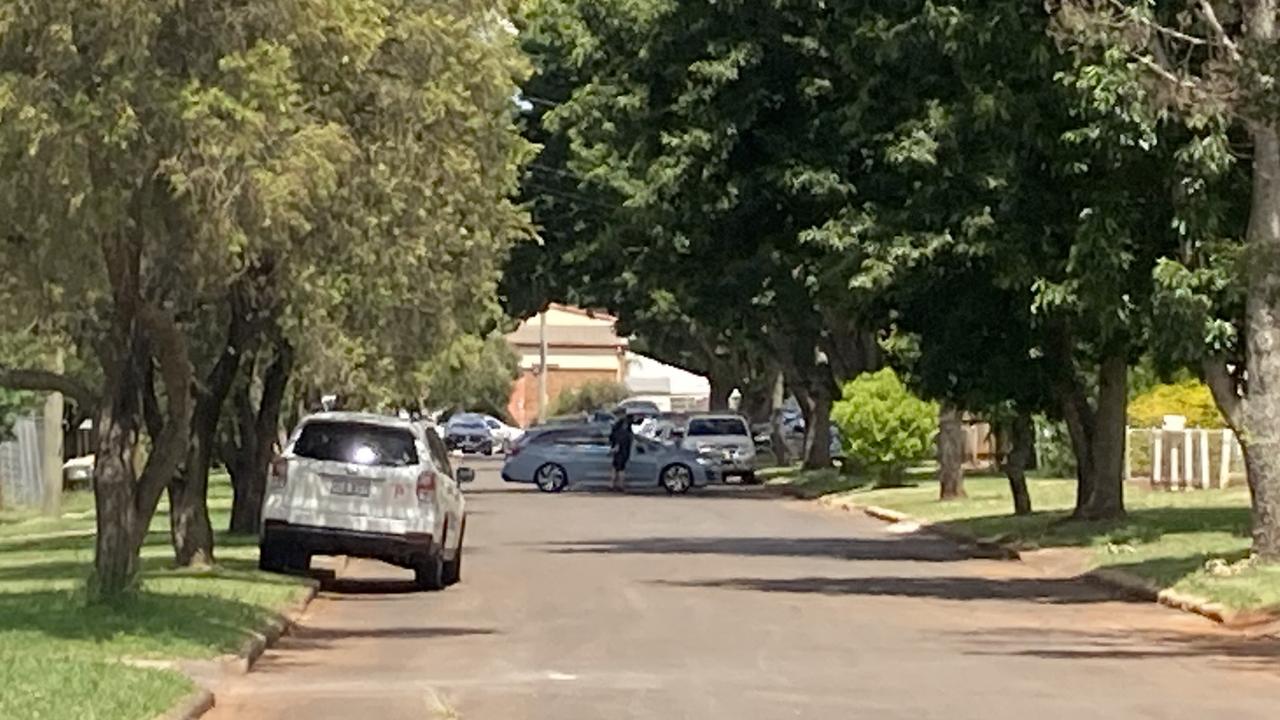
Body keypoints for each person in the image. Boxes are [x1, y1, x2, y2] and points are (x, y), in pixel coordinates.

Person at [608, 412, 634, 492]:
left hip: (619, 452)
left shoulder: (617, 431)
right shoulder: (625, 433)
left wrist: (613, 448)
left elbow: (613, 440)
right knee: (620, 468)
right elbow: (621, 443)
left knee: (615, 467)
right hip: (622, 452)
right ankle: (620, 485)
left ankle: (612, 484)